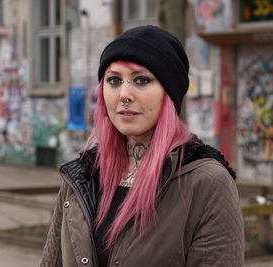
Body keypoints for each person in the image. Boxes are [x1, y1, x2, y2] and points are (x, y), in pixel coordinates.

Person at [41, 25, 244, 267]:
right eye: (114, 80)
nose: (124, 94)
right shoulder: (81, 176)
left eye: (141, 80)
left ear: (168, 94)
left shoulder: (206, 182)